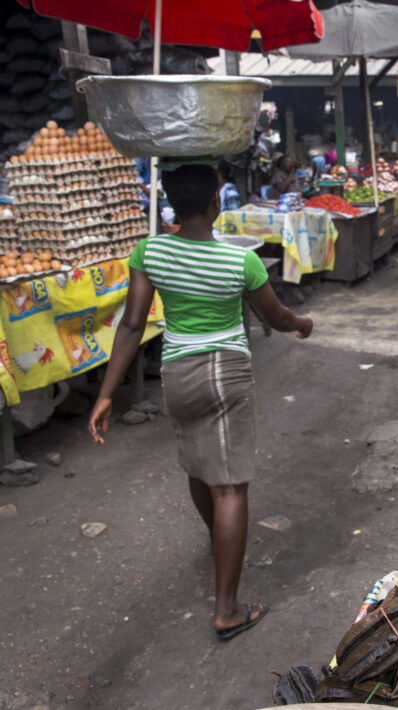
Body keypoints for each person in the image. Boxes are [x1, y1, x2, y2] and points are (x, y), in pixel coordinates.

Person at [88, 164, 313, 640]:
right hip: (224, 373)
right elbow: (275, 315)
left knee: (197, 466)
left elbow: (131, 325)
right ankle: (228, 610)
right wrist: (302, 324)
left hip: (177, 374)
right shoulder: (241, 262)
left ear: (172, 203)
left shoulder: (149, 252)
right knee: (229, 485)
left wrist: (105, 395)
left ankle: (220, 544)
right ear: (216, 203)